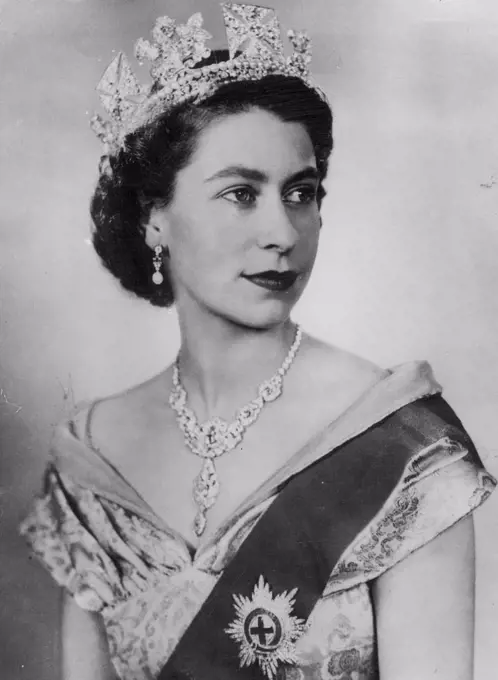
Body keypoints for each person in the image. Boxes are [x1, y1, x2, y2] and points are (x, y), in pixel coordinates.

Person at [20, 4, 496, 680]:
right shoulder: (91, 459)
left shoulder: (403, 448)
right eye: (242, 193)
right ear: (155, 219)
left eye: (301, 193)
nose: (283, 231)